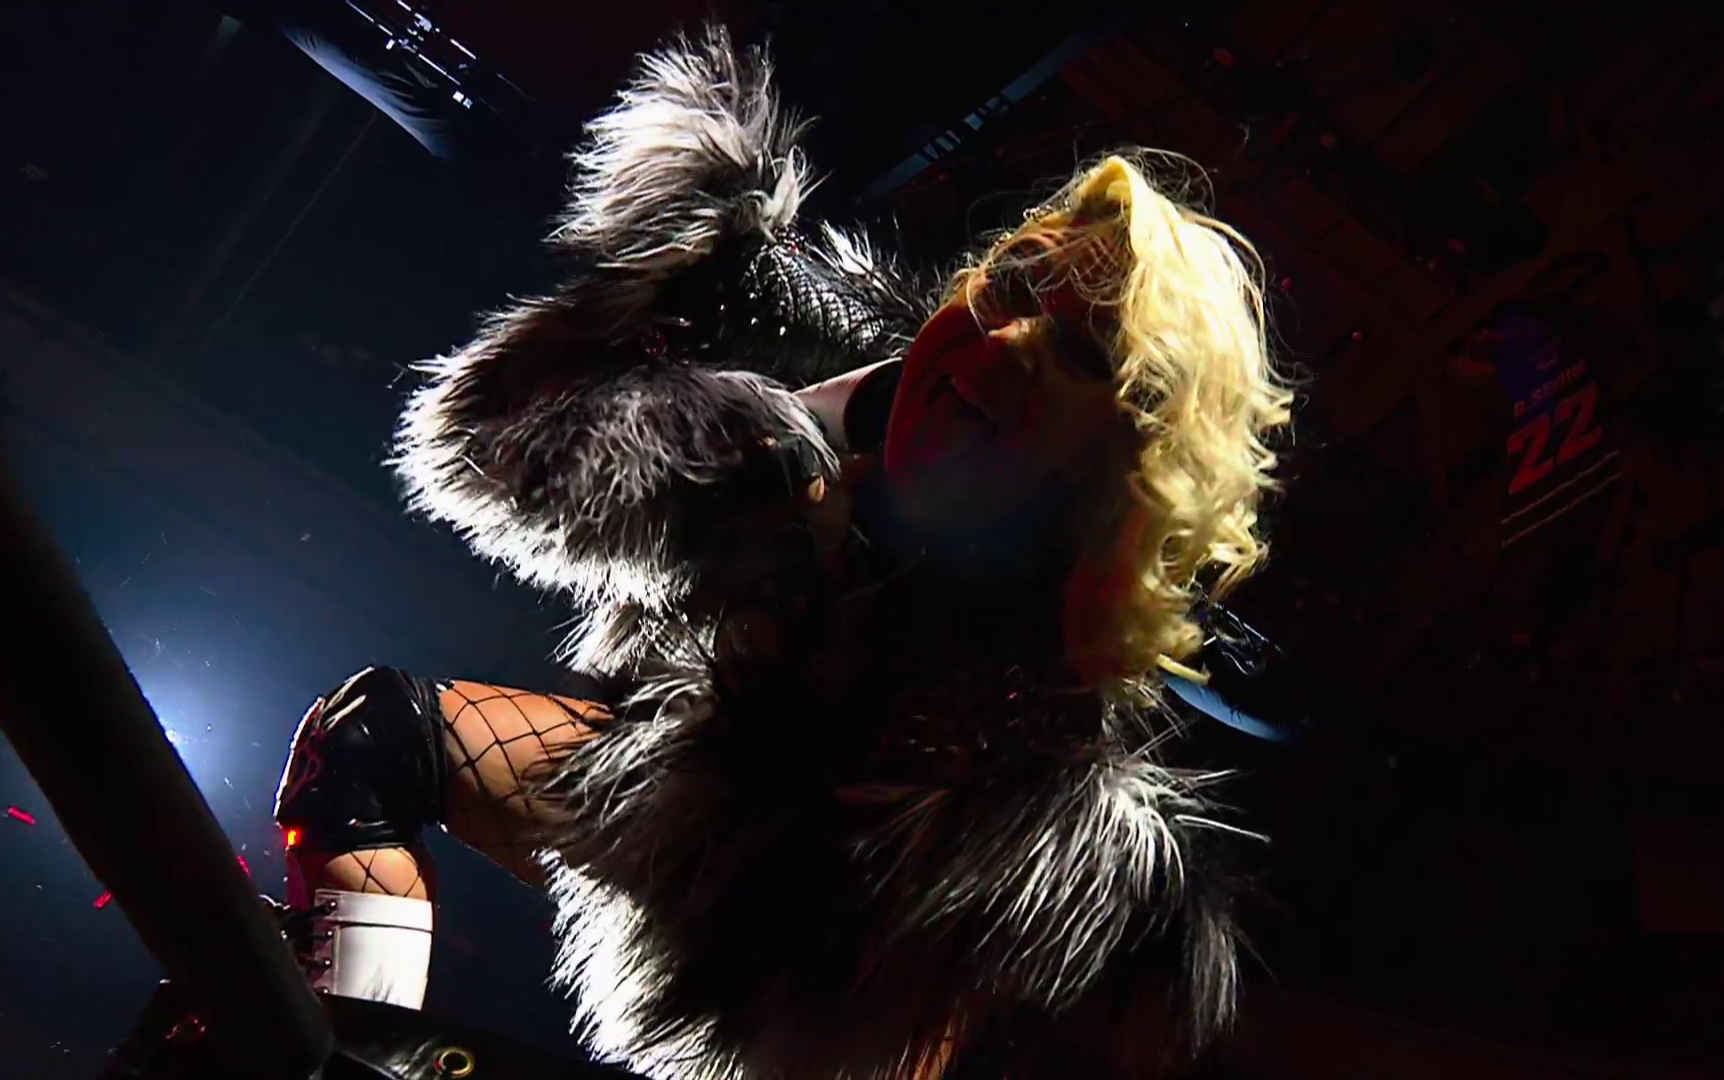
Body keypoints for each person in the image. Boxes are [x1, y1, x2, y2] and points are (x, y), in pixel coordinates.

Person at [272, 24, 1292, 1080]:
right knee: (370, 739)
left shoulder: (1053, 679)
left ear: (1120, 460)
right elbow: (525, 419)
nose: (1005, 344)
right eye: (1010, 290)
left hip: (838, 935)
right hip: (683, 791)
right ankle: (346, 1054)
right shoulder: (818, 351)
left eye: (1076, 350)